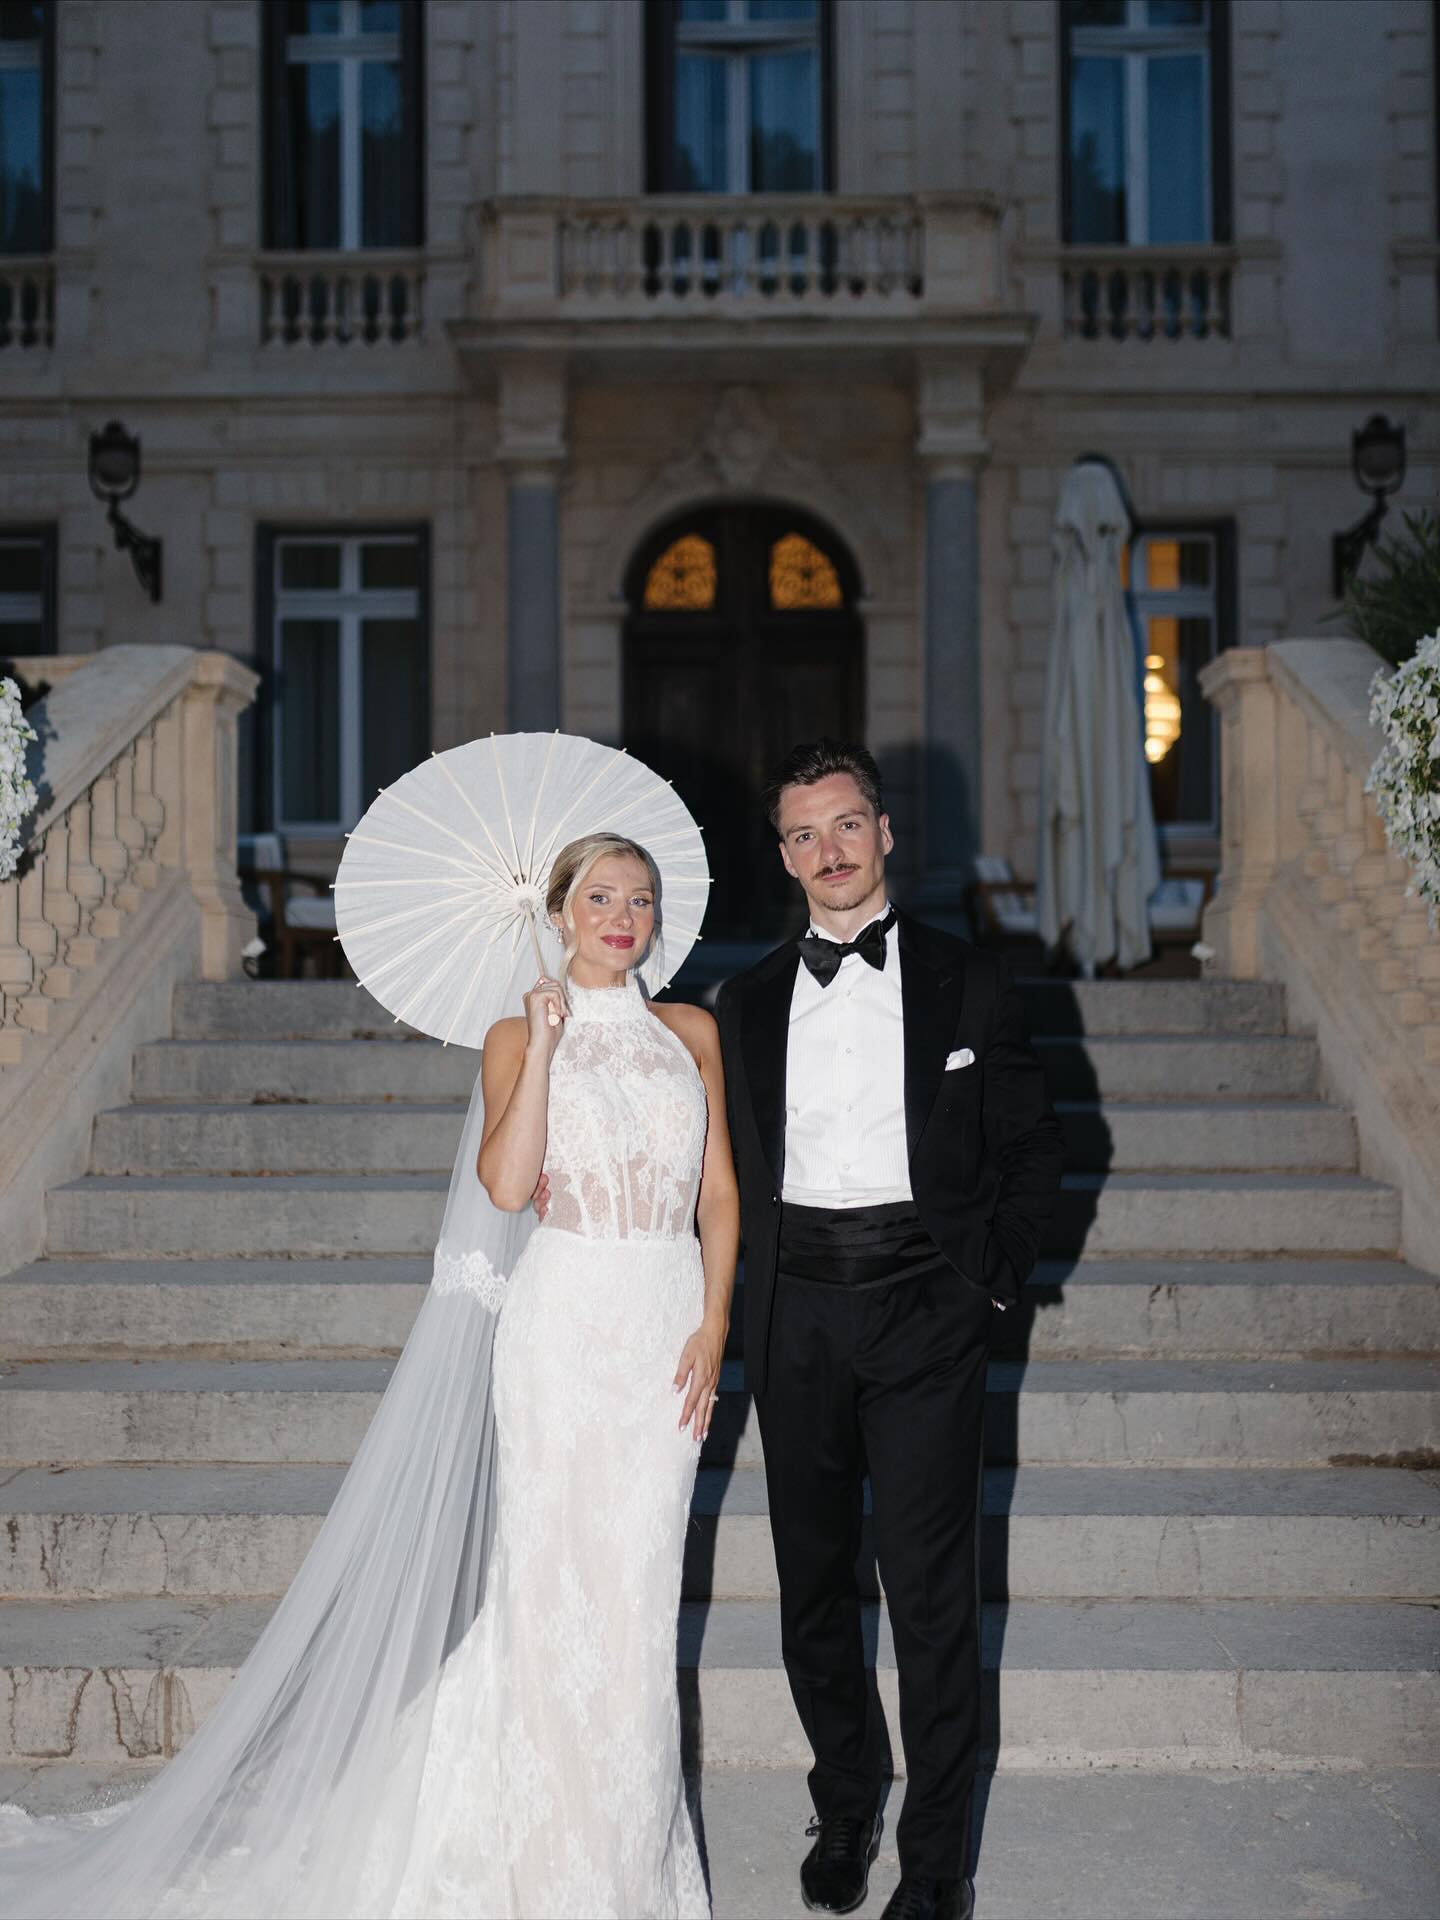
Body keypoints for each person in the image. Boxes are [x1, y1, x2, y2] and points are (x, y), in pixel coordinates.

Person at [0, 831, 738, 1920]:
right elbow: (505, 1181)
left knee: (636, 1602)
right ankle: (554, 1869)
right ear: (560, 914)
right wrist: (541, 1048)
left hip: (666, 1327)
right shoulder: (512, 1034)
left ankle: (624, 1853)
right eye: (598, 897)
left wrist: (716, 1319)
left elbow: (719, 1194)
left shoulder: (693, 1031)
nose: (620, 916)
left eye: (638, 898)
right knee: (550, 1597)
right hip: (566, 1329)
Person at [715, 743, 1064, 1920]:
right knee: (813, 1587)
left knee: (928, 1598)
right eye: (806, 834)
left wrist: (990, 1285)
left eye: (848, 825)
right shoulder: (747, 1000)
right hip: (796, 1311)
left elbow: (1035, 1146)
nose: (830, 850)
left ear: (885, 832)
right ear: (783, 854)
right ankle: (847, 1797)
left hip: (927, 1306)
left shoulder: (970, 980)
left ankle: (936, 1866)